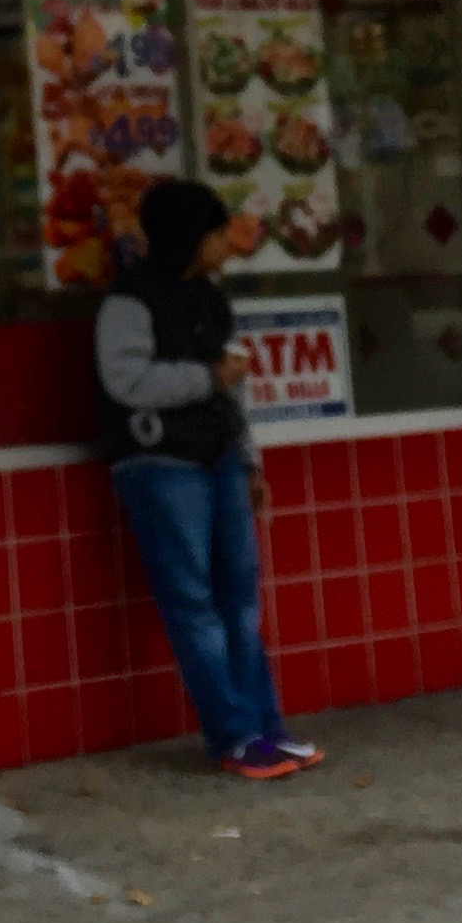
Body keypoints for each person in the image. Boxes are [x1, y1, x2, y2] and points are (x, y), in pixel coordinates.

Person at [97, 180, 321, 781]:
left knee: (241, 598)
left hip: (219, 458)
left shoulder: (210, 299)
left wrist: (249, 462)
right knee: (193, 602)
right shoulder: (129, 301)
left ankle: (267, 728)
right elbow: (125, 381)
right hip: (160, 463)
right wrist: (206, 379)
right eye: (219, 233)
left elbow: (233, 385)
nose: (228, 244)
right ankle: (233, 737)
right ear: (192, 237)